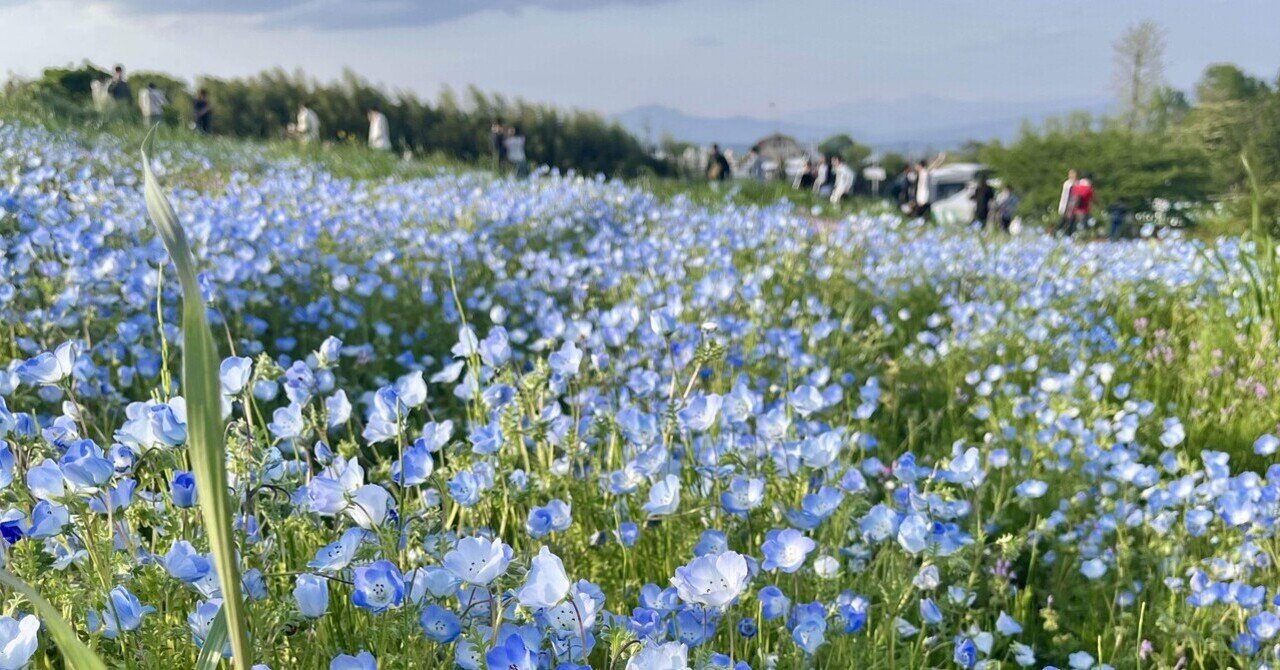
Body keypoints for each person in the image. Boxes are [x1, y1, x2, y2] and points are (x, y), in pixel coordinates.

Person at [913, 152, 946, 219]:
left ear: (920, 165)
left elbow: (932, 166)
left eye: (916, 165)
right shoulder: (922, 173)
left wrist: (940, 158)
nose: (915, 167)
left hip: (923, 199)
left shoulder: (924, 172)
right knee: (924, 215)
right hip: (924, 199)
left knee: (921, 215)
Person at [1056, 168, 1078, 233]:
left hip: (1074, 207)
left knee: (1072, 223)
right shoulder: (1067, 183)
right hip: (1066, 206)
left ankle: (1069, 234)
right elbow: (1066, 196)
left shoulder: (1077, 183)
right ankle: (1057, 232)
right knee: (1063, 221)